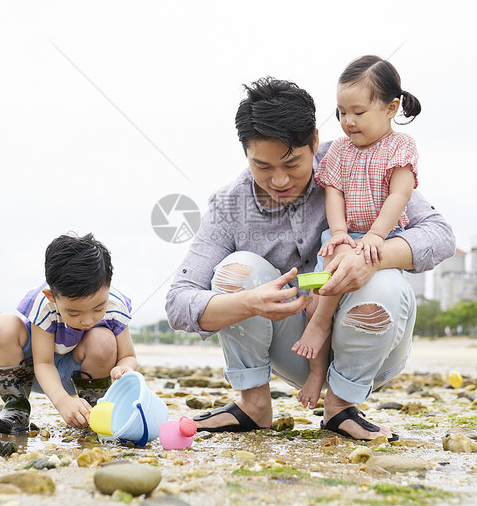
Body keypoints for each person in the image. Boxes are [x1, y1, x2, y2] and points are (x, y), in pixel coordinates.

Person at [165, 77, 454, 442]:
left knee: (382, 279)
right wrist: (247, 303)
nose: (280, 179)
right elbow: (178, 302)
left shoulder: (356, 159)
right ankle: (253, 405)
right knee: (235, 271)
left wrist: (372, 258)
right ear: (246, 154)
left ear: (314, 141)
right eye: (263, 167)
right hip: (293, 349)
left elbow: (440, 234)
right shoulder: (228, 205)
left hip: (373, 343)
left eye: (292, 162)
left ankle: (341, 406)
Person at [291, 55, 421, 409]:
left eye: (358, 112)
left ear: (391, 107)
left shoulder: (400, 147)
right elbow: (334, 192)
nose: (348, 121)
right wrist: (337, 232)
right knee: (315, 292)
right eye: (341, 112)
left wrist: (376, 236)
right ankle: (317, 371)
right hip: (344, 237)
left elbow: (400, 194)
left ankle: (324, 335)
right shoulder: (339, 151)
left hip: (379, 239)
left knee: (348, 291)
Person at [0, 233, 137, 434]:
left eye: (98, 308)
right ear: (51, 296)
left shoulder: (116, 305)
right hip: (33, 371)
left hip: (82, 374)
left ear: (108, 285)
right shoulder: (43, 304)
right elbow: (43, 363)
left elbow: (128, 356)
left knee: (103, 339)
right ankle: (16, 409)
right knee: (2, 326)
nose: (87, 320)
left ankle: (92, 409)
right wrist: (63, 402)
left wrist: (124, 369)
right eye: (74, 312)